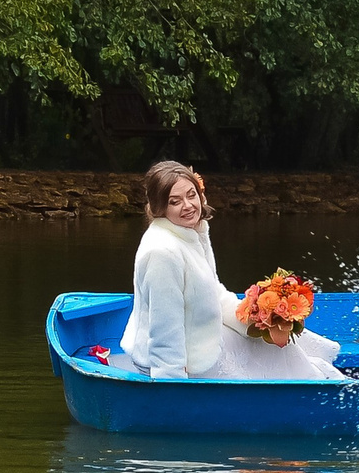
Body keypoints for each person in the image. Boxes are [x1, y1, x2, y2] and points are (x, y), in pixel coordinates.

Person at [121, 160, 343, 382]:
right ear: (160, 207)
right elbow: (165, 329)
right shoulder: (162, 253)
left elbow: (212, 292)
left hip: (201, 340)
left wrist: (254, 319)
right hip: (181, 361)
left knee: (276, 344)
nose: (188, 206)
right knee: (275, 361)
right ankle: (317, 392)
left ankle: (319, 383)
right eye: (175, 201)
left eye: (191, 195)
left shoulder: (191, 232)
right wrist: (172, 384)